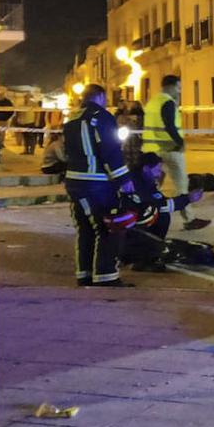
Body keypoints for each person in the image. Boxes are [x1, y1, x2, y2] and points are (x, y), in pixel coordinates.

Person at [63, 84, 134, 287]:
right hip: (95, 182)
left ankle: (84, 274)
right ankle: (105, 275)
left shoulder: (72, 118)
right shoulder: (101, 116)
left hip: (74, 181)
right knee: (107, 227)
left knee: (85, 229)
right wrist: (123, 179)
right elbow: (110, 150)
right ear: (101, 97)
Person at [142, 75, 208, 230]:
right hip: (170, 149)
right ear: (170, 87)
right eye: (178, 87)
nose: (179, 91)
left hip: (152, 151)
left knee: (152, 185)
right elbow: (169, 126)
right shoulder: (167, 102)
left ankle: (146, 214)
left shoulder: (152, 102)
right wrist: (180, 142)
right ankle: (189, 219)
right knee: (181, 184)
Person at [121, 152, 204, 271]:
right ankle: (141, 257)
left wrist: (186, 198)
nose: (160, 173)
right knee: (159, 216)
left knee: (160, 215)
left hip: (131, 225)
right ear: (146, 169)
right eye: (157, 169)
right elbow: (158, 206)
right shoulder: (137, 183)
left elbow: (160, 201)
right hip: (128, 229)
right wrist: (187, 199)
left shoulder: (145, 180)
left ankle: (147, 255)